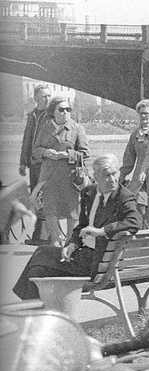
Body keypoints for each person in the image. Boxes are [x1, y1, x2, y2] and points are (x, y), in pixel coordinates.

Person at [12, 154, 139, 301]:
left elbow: (135, 221)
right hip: (85, 256)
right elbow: (81, 226)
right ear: (95, 177)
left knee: (42, 253)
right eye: (106, 175)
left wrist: (101, 231)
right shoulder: (89, 193)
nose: (113, 179)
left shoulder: (124, 197)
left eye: (114, 173)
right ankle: (35, 309)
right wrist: (72, 244)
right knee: (38, 269)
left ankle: (28, 309)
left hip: (98, 262)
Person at [31, 94, 89, 246]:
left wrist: (67, 154)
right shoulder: (45, 128)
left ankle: (71, 241)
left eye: (68, 109)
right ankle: (55, 241)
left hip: (70, 177)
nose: (65, 112)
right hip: (48, 177)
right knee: (50, 209)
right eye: (61, 109)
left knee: (72, 210)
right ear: (53, 112)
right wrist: (45, 152)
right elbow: (35, 150)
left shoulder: (77, 128)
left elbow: (85, 152)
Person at [18, 83, 52, 244]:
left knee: (45, 197)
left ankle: (43, 236)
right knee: (35, 198)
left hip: (47, 163)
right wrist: (22, 162)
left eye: (48, 96)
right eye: (44, 96)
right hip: (34, 165)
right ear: (36, 98)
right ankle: (42, 235)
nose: (47, 99)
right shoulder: (32, 115)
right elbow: (27, 139)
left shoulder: (52, 115)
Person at [119, 99, 149, 223]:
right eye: (141, 113)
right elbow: (129, 157)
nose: (143, 116)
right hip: (139, 178)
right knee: (138, 206)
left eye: (146, 113)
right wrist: (122, 176)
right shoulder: (135, 134)